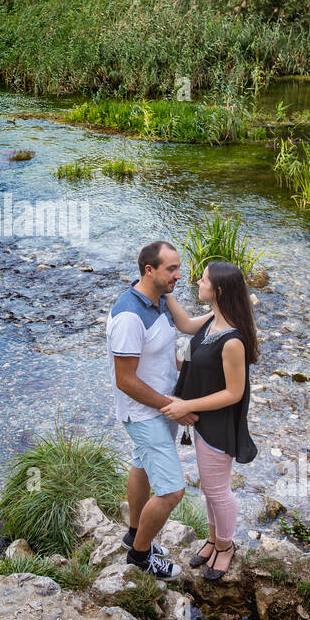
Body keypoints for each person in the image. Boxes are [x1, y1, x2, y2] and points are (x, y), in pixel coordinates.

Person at [160, 260, 260, 580]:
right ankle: (213, 540)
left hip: (218, 423)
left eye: (202, 280)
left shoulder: (232, 340)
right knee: (210, 487)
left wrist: (185, 404)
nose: (197, 283)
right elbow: (187, 326)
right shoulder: (213, 319)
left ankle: (226, 546)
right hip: (205, 420)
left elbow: (234, 392)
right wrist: (164, 290)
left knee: (217, 491)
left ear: (217, 291)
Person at [107, 240, 197, 580]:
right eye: (171, 269)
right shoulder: (129, 316)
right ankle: (140, 555)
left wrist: (224, 315)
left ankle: (134, 531)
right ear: (150, 270)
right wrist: (174, 407)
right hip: (146, 413)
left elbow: (172, 343)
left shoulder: (160, 298)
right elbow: (125, 380)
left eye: (178, 267)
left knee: (141, 465)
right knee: (173, 490)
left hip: (161, 406)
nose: (179, 274)